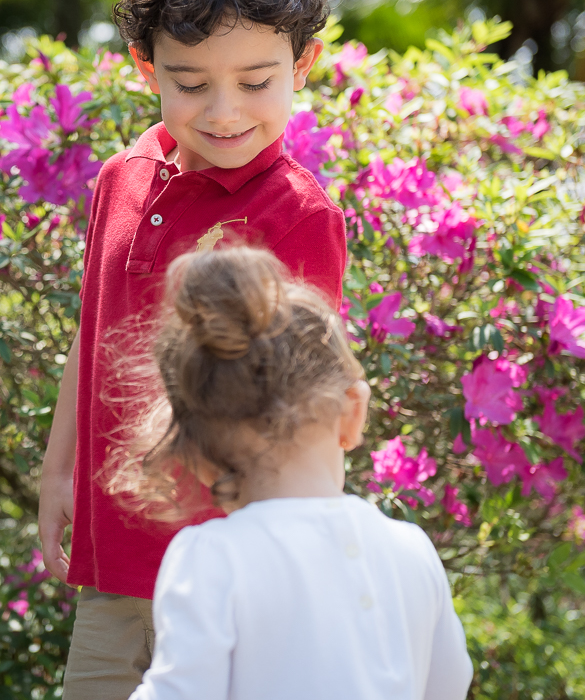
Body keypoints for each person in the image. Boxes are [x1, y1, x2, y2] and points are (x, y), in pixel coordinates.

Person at [37, 0, 348, 696]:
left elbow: (305, 407)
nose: (224, 111)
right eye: (189, 81)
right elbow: (92, 327)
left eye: (255, 81)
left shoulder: (298, 214)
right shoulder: (119, 180)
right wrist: (59, 468)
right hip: (116, 576)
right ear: (146, 68)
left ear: (302, 65)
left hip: (236, 581)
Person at [116, 247, 474, 700]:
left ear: (194, 455)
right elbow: (447, 688)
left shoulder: (211, 558)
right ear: (354, 413)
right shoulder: (411, 551)